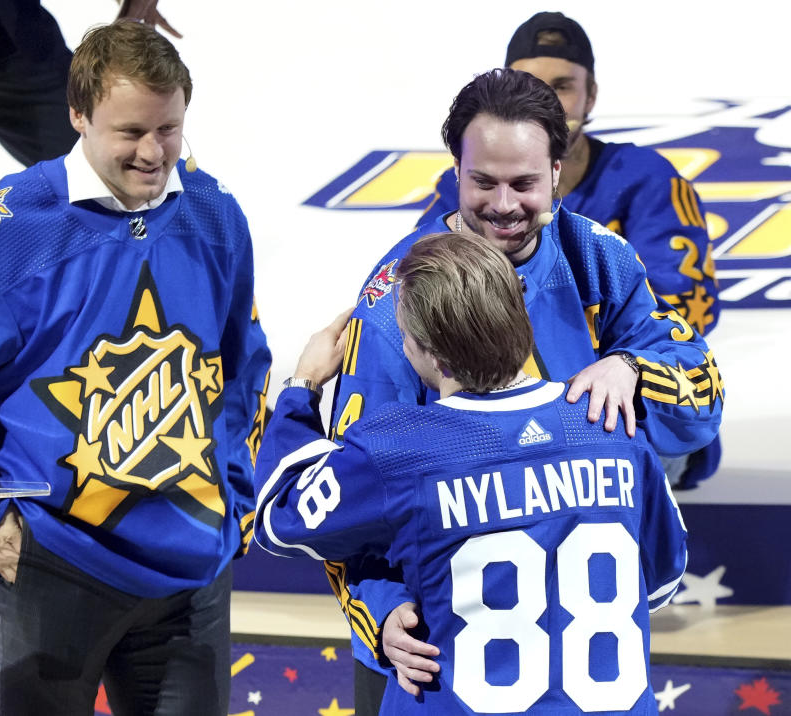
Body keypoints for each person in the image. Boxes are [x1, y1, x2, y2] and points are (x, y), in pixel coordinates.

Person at [0, 20, 271, 716]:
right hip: (49, 569)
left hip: (189, 574)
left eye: (168, 129)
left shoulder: (215, 214)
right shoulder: (5, 231)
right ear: (78, 115)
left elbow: (244, 370)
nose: (154, 153)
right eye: (131, 132)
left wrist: (231, 503)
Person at [330, 67, 723, 714]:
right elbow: (352, 489)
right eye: (483, 181)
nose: (505, 205)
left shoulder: (601, 256)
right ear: (455, 170)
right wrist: (378, 607)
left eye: (525, 184)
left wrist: (633, 367)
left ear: (559, 172)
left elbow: (701, 403)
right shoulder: (395, 298)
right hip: (440, 649)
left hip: (578, 644)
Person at [254, 231, 688, 714]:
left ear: (429, 353)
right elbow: (661, 578)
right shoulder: (613, 429)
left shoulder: (399, 448)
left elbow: (280, 518)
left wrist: (302, 386)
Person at [418, 12, 719, 350]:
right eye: (530, 84)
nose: (546, 103)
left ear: (591, 94)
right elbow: (417, 289)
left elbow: (688, 310)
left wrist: (619, 361)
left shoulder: (648, 179)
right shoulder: (461, 184)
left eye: (562, 87)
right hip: (485, 378)